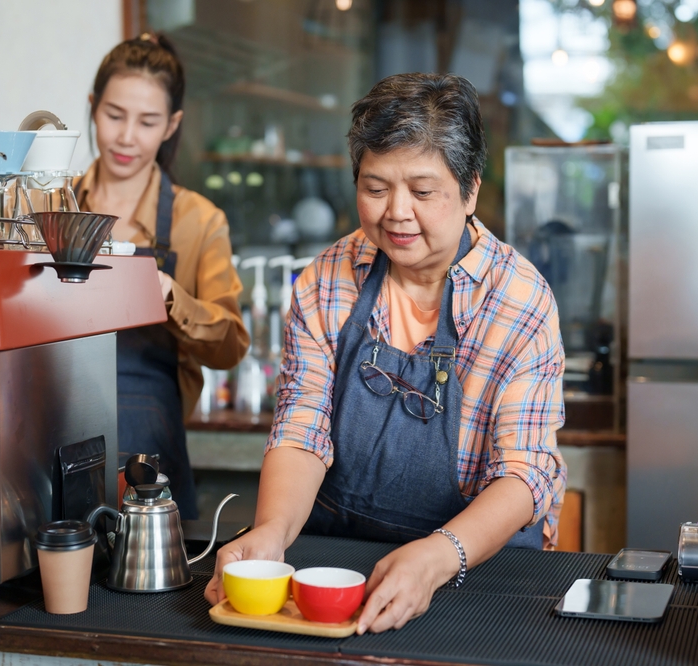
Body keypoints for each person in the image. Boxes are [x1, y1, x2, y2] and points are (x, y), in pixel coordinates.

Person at [205, 73, 566, 632]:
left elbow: (525, 470)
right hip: (345, 562)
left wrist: (438, 555)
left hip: (475, 564)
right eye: (375, 189)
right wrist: (271, 532)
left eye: (422, 192)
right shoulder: (328, 279)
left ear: (469, 190)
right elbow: (302, 428)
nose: (396, 213)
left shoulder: (519, 299)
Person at [76, 34, 248, 519]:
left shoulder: (199, 221)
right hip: (55, 442)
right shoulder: (53, 207)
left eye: (148, 121)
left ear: (172, 124)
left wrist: (173, 298)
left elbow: (231, 345)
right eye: (114, 115)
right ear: (92, 107)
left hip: (150, 454)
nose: (127, 137)